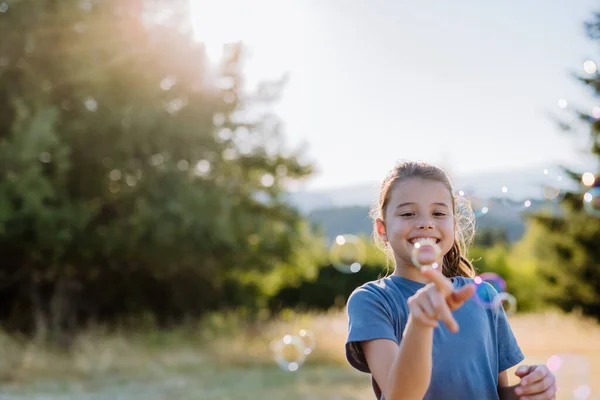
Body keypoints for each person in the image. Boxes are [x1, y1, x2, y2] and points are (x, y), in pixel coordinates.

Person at [345, 161, 557, 400]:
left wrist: (531, 390)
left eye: (438, 213)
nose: (426, 222)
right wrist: (420, 324)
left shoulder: (483, 295)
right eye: (407, 214)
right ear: (383, 229)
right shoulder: (372, 300)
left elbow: (497, 394)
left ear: (454, 226)